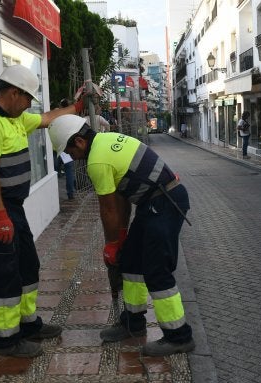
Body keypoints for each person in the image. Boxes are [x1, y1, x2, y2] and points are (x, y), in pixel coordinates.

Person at [47, 115, 195, 357]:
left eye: (68, 150)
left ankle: (179, 336)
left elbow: (108, 208)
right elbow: (122, 196)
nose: (70, 157)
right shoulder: (107, 141)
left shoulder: (96, 161)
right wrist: (122, 237)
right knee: (131, 261)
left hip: (166, 203)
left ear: (79, 142)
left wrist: (112, 244)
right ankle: (132, 322)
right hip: (151, 204)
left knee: (156, 269)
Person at [0, 65, 84, 358]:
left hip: (12, 210)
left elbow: (47, 119)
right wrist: (0, 216)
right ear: (13, 93)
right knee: (5, 272)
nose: (30, 105)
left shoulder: (16, 118)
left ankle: (28, 323)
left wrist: (76, 105)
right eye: (28, 98)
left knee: (27, 266)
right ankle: (7, 341)